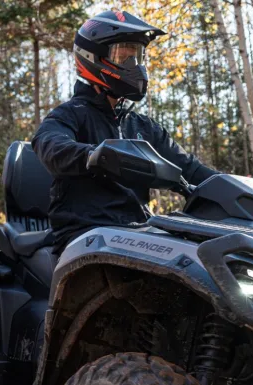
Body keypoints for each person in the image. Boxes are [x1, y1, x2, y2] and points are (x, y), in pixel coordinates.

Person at [31, 9, 222, 250]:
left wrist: (236, 186)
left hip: (136, 233)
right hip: (85, 235)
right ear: (93, 57)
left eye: (137, 56)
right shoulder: (70, 114)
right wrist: (94, 155)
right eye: (124, 56)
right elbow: (49, 143)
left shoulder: (143, 127)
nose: (134, 66)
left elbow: (192, 169)